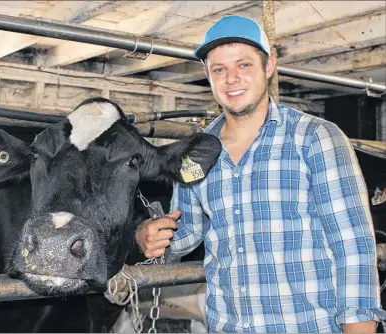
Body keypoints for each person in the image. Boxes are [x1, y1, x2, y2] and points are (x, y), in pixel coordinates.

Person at [135, 15, 386, 333]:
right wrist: (148, 235)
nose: (231, 79)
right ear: (207, 75)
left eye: (244, 65)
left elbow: (353, 247)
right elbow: (183, 234)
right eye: (219, 69)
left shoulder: (315, 137)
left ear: (269, 67)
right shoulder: (195, 153)